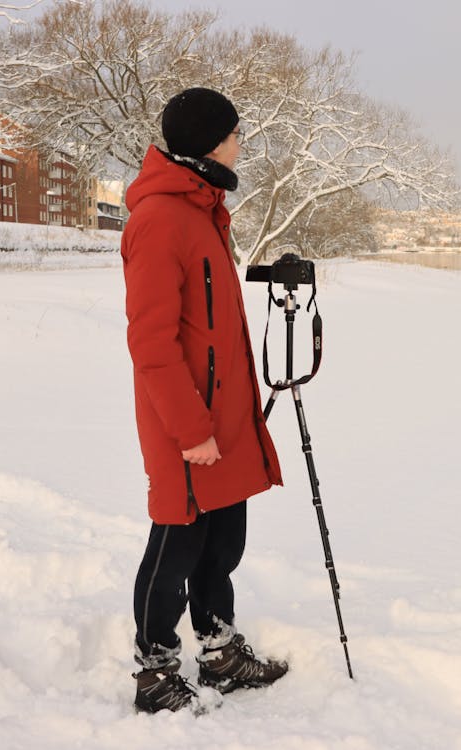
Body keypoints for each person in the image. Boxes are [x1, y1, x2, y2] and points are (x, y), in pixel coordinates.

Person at [121, 87, 288, 714]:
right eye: (235, 134)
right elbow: (152, 343)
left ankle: (218, 649)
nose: (241, 143)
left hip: (224, 422)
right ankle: (154, 671)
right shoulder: (160, 219)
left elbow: (214, 330)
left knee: (223, 546)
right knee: (175, 547)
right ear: (209, 142)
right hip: (187, 427)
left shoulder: (204, 212)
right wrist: (192, 429)